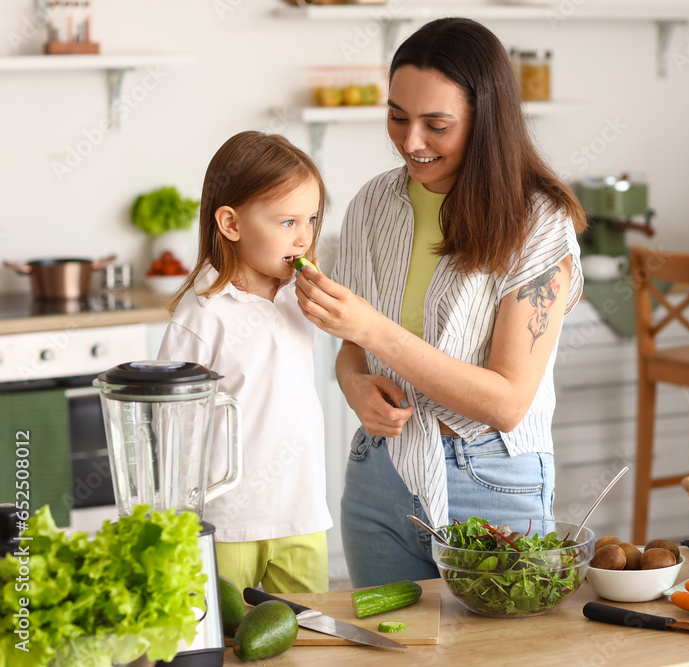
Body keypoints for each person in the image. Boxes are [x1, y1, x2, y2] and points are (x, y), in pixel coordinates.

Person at [294, 17, 588, 587]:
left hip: (493, 481)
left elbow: (506, 403)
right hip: (379, 473)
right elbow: (353, 352)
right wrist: (355, 387)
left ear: (486, 121)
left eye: (437, 124)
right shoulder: (371, 204)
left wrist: (375, 332)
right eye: (397, 117)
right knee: (389, 648)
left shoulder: (538, 225)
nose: (411, 142)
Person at [158, 130, 332, 594]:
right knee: (225, 645)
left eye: (311, 219)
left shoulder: (303, 299)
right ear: (231, 224)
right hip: (227, 522)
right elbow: (173, 425)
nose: (304, 236)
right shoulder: (201, 314)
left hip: (302, 512)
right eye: (286, 222)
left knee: (309, 644)